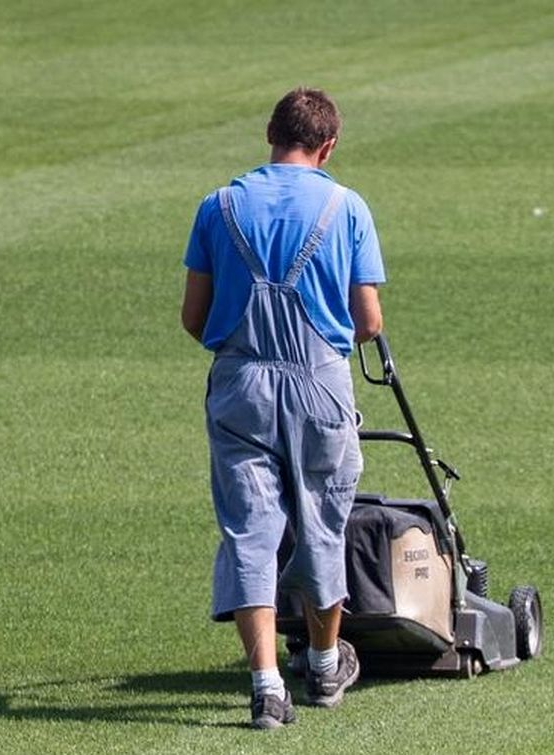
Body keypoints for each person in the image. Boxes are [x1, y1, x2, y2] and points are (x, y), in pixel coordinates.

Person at [180, 87, 385, 730]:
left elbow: (194, 318)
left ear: (270, 134)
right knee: (322, 521)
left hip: (240, 383)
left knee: (250, 531)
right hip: (320, 384)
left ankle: (267, 685)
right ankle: (324, 664)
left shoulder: (218, 206)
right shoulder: (346, 207)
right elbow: (368, 322)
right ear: (328, 146)